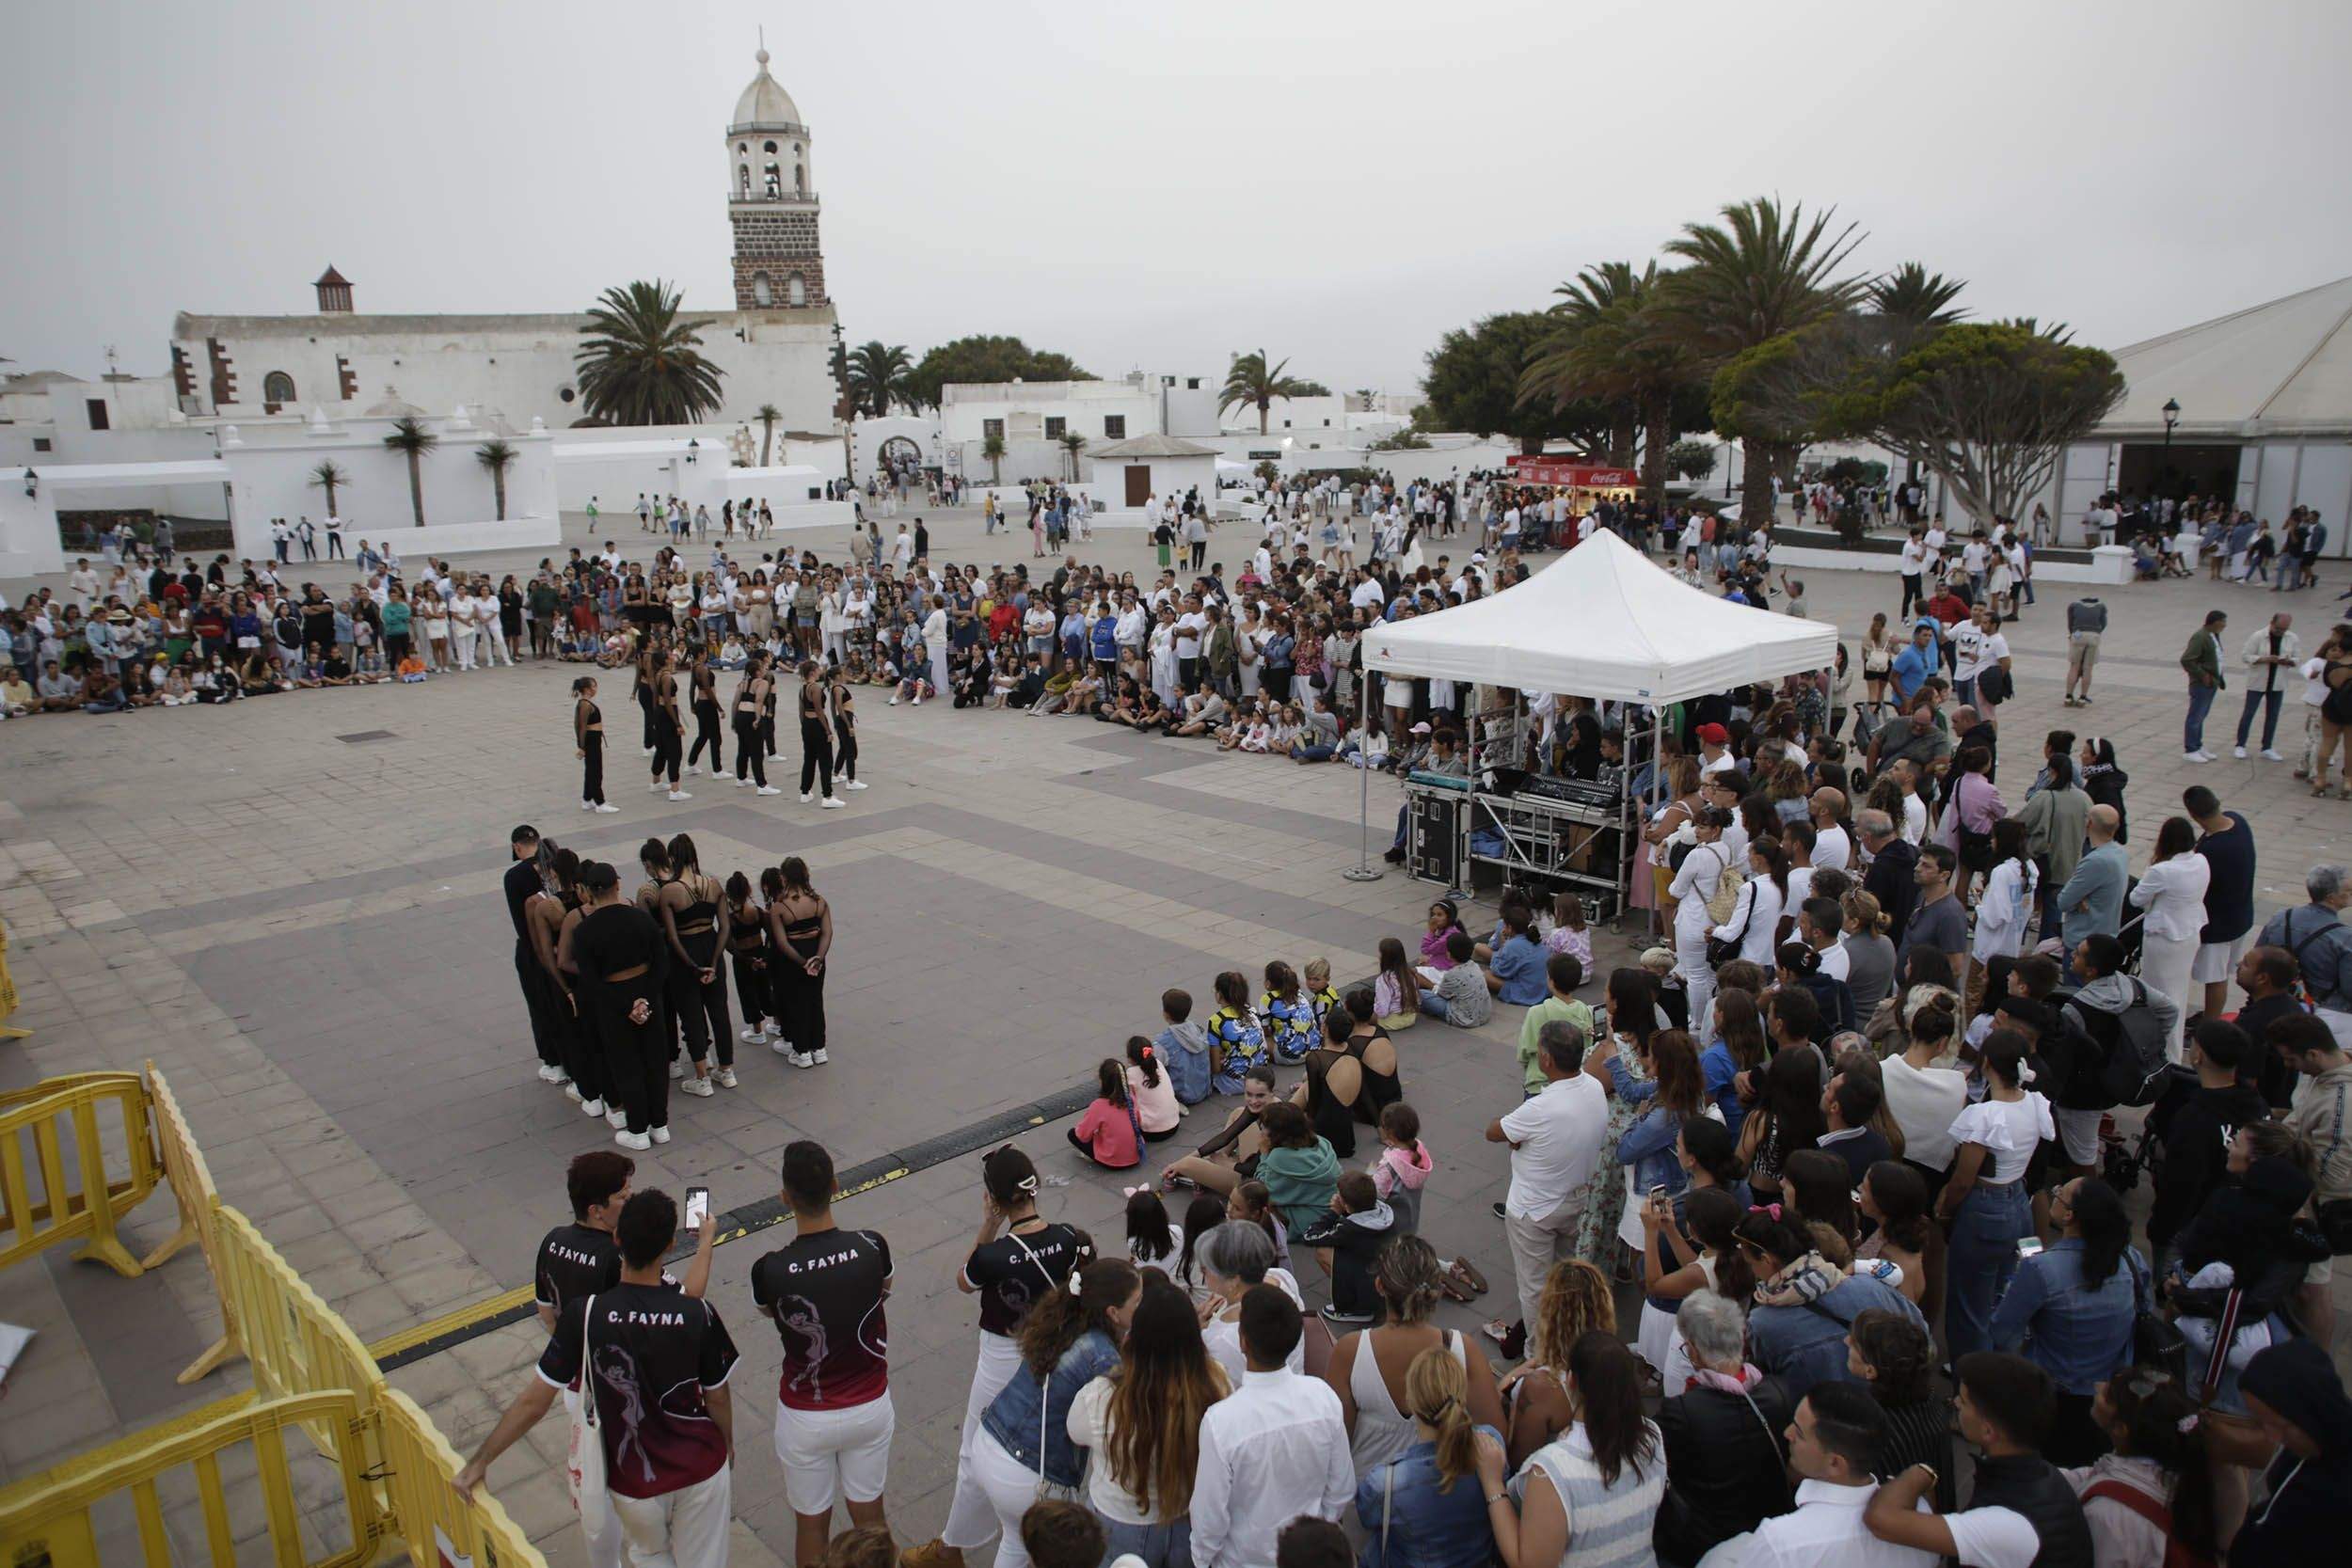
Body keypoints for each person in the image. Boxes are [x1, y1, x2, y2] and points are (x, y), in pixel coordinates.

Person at [456, 1190, 739, 1568]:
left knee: (648, 1554)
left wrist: (479, 1461)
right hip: (701, 1470)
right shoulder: (698, 1314)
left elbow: (534, 1401)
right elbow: (718, 1397)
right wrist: (728, 1444)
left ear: (618, 1238)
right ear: (670, 1245)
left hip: (633, 1483)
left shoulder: (585, 1314)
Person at [910, 1148, 1091, 1568]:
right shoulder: (1068, 1238)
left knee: (974, 1448)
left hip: (1002, 1359)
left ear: (994, 1197)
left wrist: (988, 1226)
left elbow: (964, 1281)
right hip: (1054, 1350)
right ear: (1034, 1187)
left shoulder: (992, 1255)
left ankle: (954, 1544)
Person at [752, 1142, 895, 1566]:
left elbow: (766, 1309)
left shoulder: (769, 1269)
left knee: (812, 1525)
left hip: (804, 1416)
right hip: (869, 1406)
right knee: (871, 1521)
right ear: (835, 1185)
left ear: (785, 1197)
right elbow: (884, 1288)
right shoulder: (872, 1246)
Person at [967, 1259, 1143, 1568]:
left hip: (990, 1443)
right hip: (1028, 1473)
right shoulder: (1101, 1355)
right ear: (1113, 1313)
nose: (1145, 1306)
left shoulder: (1061, 1320)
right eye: (1139, 1301)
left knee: (1015, 1542)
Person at [1863, 1352, 2095, 1568]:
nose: (1954, 1403)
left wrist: (1921, 1472)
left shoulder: (2008, 1525)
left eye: (1964, 1402)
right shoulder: (2043, 1475)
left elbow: (1882, 1519)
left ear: (1988, 1431)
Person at [1065, 1275, 1229, 1568]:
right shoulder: (1216, 1380)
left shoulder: (1104, 1396)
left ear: (1135, 1338)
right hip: (1187, 1517)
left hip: (1121, 1523)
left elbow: (1074, 1431)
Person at [1191, 1287, 1355, 1568]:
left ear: (1243, 1342)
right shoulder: (1323, 1398)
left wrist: (1203, 1560)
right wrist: (1314, 1536)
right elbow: (1341, 1488)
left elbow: (1209, 1517)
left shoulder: (1221, 1422)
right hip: (1308, 1556)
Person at [1988, 1178, 2148, 1465]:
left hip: (2053, 1397)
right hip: (2107, 1396)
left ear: (2070, 1215)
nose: (2056, 1192)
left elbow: (2002, 1330)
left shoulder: (2041, 1268)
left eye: (2061, 1193)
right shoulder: (2130, 1259)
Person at [1474, 1330, 1664, 1568]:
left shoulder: (1553, 1470)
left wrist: (1493, 1484)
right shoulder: (1652, 1435)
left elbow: (1528, 1564)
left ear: (1571, 1381)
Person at [1326, 1237, 1502, 1484]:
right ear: (1438, 1292)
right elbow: (1494, 1437)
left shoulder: (1350, 1350)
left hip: (1367, 1490)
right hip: (1440, 1489)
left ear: (1379, 1286)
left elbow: (1336, 1438)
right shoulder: (1464, 1350)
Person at [1653, 1291, 1796, 1565]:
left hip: (1704, 1538)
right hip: (1768, 1528)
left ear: (1693, 1351)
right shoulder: (1780, 1392)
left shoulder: (1683, 1411)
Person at [1489, 1022, 1609, 1343]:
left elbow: (1494, 1131)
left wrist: (1519, 1140)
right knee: (1564, 1274)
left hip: (1534, 1210)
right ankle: (1570, 1331)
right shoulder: (1594, 1087)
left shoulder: (1540, 1108)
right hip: (1575, 1199)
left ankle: (1539, 1354)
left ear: (1546, 1059)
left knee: (1534, 1288)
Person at [1740, 1212, 1925, 1402]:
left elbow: (1767, 1383)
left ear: (1766, 1259)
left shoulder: (1763, 1323)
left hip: (1825, 1419)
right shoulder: (1871, 1286)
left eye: (1750, 1263)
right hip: (1901, 1407)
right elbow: (1922, 1335)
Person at [1354, 1344, 1502, 1568]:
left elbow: (1368, 1518)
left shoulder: (1385, 1483)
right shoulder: (1491, 1444)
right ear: (1461, 1394)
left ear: (1411, 1400)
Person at [2058, 1369, 2218, 1568]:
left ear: (2121, 1429)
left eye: (2107, 1395)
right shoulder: (2175, 1469)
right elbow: (2084, 1477)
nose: (2098, 1386)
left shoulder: (2108, 1514)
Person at [561, 861, 672, 1149]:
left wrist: (626, 1007)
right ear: (617, 885)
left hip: (613, 1001)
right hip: (647, 995)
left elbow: (591, 979)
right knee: (654, 1061)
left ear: (588, 891)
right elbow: (661, 961)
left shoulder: (585, 931)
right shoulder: (640, 918)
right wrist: (644, 999)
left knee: (626, 1065)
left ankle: (637, 1129)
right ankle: (660, 1124)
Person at [2145, 1022, 2268, 1267]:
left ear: (2198, 1055)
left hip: (2194, 1231)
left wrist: (2160, 1230)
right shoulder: (2258, 1105)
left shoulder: (2194, 1117)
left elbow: (2179, 1185)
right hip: (2240, 1222)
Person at [2230, 1338, 2352, 1568]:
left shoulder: (2340, 1495)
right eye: (2261, 1423)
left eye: (2279, 1425)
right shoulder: (2311, 1449)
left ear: (2310, 1413)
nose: (2272, 1437)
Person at [1846, 1308, 1954, 1511]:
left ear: (1870, 1371)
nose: (1846, 1341)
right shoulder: (1932, 1402)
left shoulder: (1868, 1429)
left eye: (1854, 1343)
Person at [2127, 818, 2209, 1063]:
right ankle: (2168, 1052)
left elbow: (2136, 898)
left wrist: (2152, 869)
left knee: (2160, 998)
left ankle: (2164, 1054)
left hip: (2164, 939)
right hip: (2189, 934)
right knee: (2178, 994)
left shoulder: (2162, 871)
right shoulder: (2201, 861)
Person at [2255, 865, 2352, 1049]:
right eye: (2348, 891)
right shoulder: (2344, 937)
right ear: (2331, 898)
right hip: (2327, 1013)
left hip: (2276, 1002)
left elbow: (2258, 956)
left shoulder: (2281, 917)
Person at [2233, 610, 2298, 759]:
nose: (2281, 632)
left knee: (2273, 716)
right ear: (2272, 623)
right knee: (2249, 714)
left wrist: (2288, 661)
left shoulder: (2292, 638)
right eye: (2278, 629)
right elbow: (2245, 656)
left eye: (2284, 629)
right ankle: (2240, 745)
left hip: (2277, 682)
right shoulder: (2258, 636)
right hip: (2258, 681)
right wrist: (2265, 659)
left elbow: (2297, 657)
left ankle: (2267, 747)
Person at [2180, 610, 2228, 763]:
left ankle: (2198, 745)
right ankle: (2190, 749)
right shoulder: (2200, 637)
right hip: (2202, 684)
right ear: (2215, 622)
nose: (2225, 625)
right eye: (2223, 621)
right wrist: (2203, 675)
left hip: (2212, 682)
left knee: (2201, 716)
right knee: (2195, 716)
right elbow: (2187, 660)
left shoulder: (2213, 635)